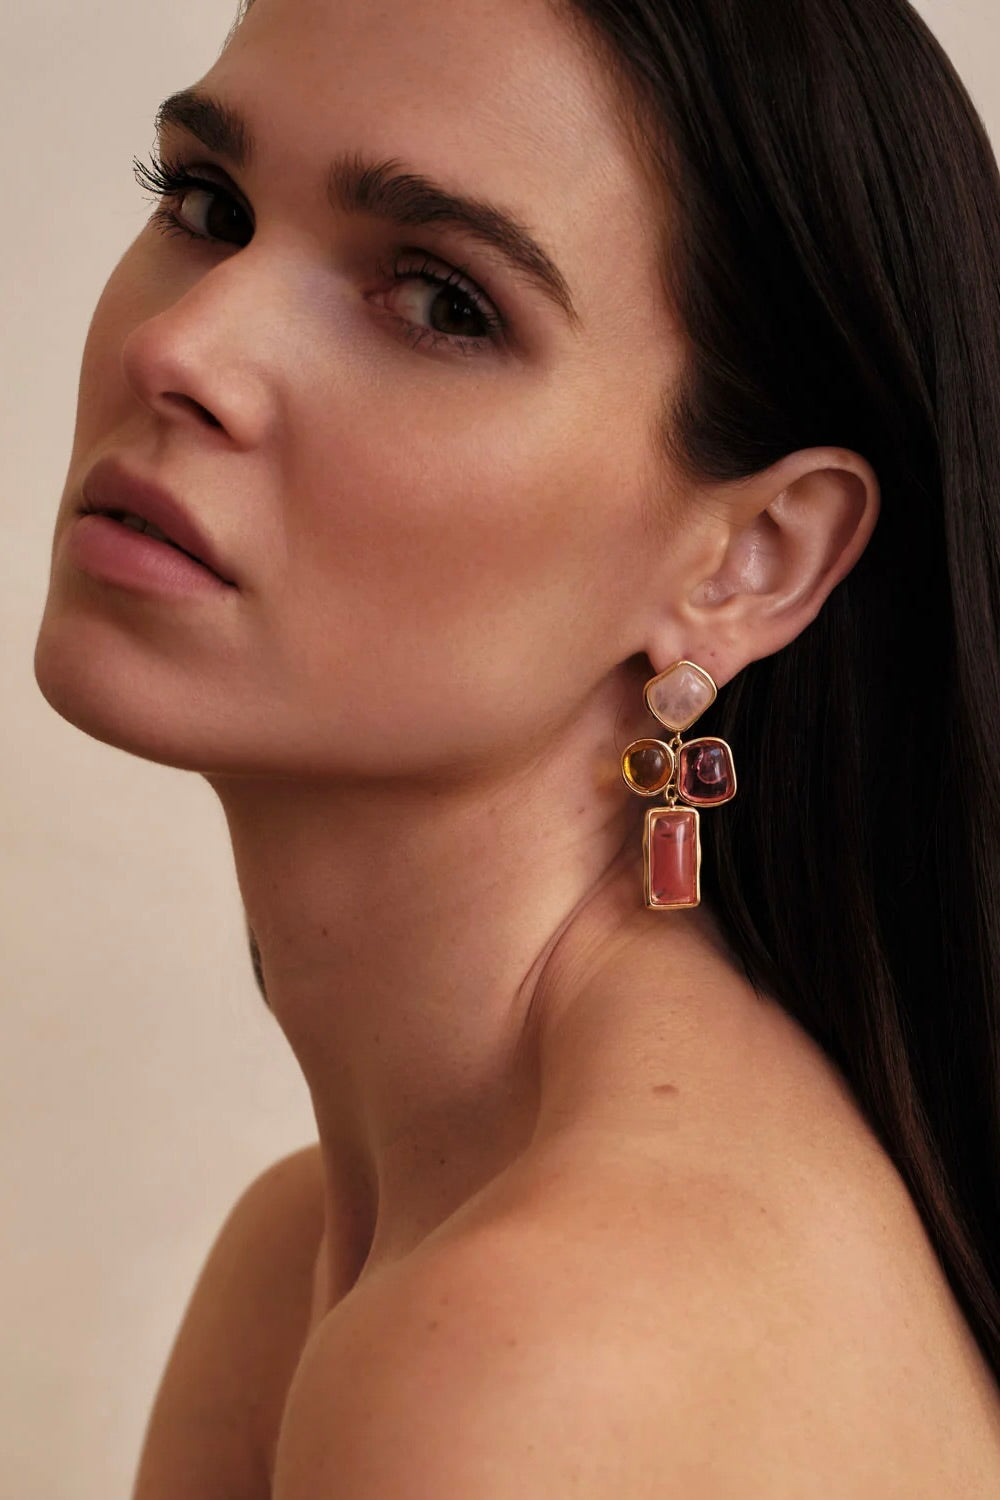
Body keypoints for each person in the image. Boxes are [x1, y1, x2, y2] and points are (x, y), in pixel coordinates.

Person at [32, 0, 1000, 1491]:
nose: (181, 347)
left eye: (440, 302)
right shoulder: (305, 1259)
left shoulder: (537, 1358)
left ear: (750, 561)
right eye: (209, 206)